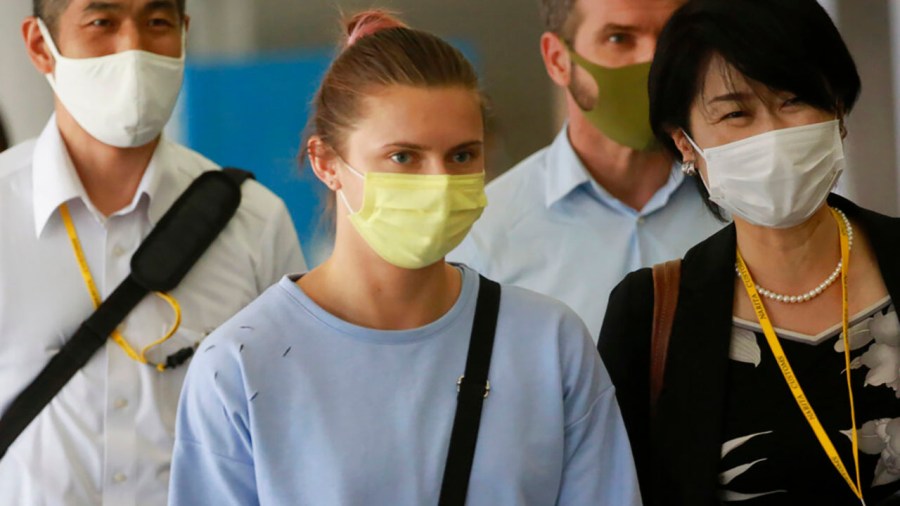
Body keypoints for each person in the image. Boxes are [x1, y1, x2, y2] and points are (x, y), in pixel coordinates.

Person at [168, 10, 640, 506]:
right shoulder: (241, 365)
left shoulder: (550, 343)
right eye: (403, 157)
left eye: (462, 156)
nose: (438, 182)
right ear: (326, 162)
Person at [0, 1, 306, 504]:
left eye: (157, 22)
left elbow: (291, 425)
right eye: (102, 23)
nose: (133, 47)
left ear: (184, 34)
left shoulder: (253, 222)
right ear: (40, 45)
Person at [598, 0, 900, 504]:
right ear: (685, 144)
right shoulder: (649, 313)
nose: (773, 134)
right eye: (736, 113)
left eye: (795, 100)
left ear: (838, 111)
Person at [448, 0, 724, 338]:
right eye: (619, 38)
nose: (654, 61)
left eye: (672, 36)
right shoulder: (484, 235)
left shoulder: (743, 202)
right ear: (557, 59)